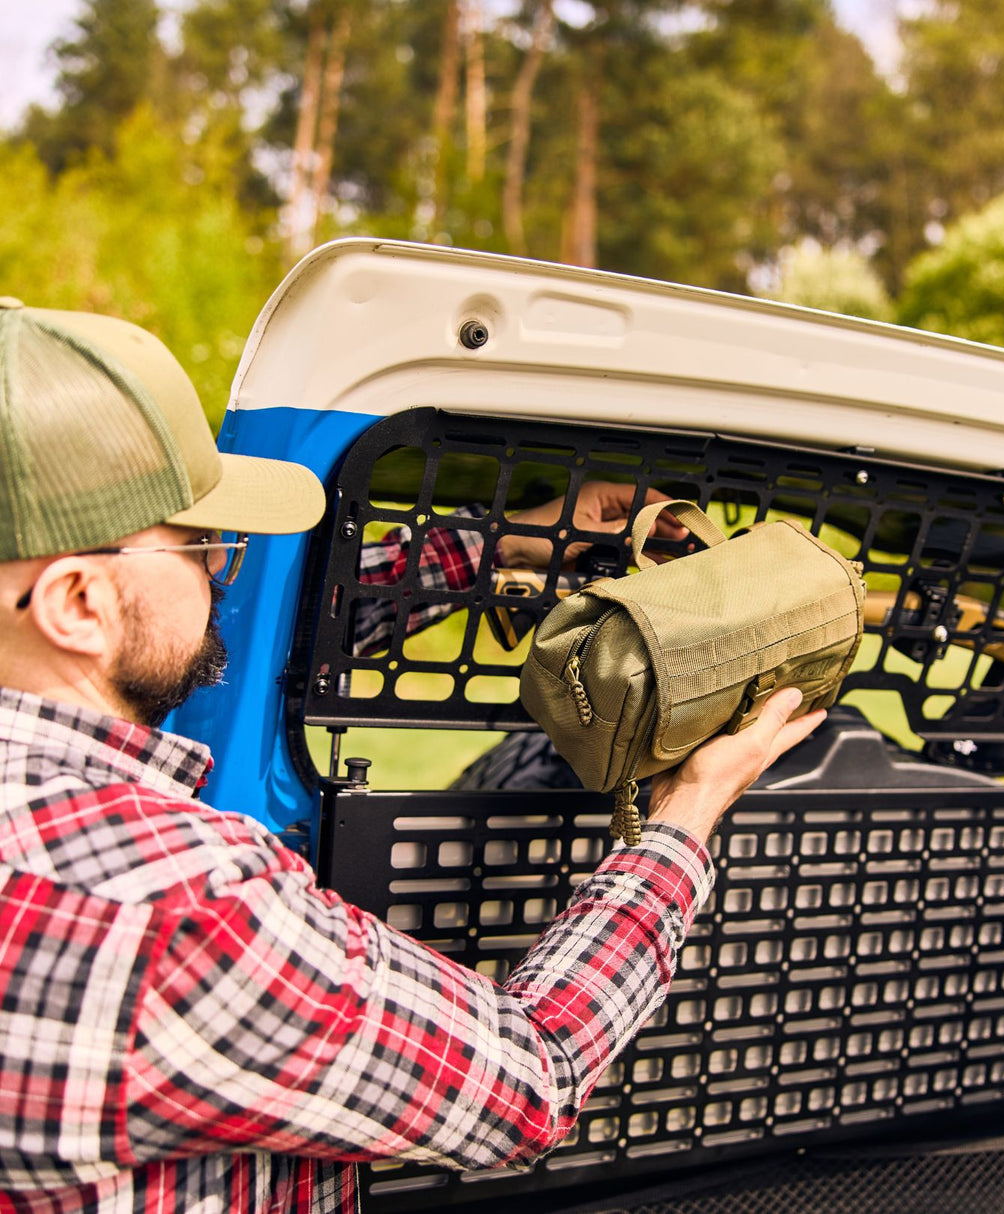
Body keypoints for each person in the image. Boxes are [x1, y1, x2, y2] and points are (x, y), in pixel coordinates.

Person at [0, 300, 823, 1213]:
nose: (222, 572)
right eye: (203, 546)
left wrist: (509, 540)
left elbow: (269, 636)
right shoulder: (172, 905)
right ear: (76, 604)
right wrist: (684, 816)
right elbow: (528, 1076)